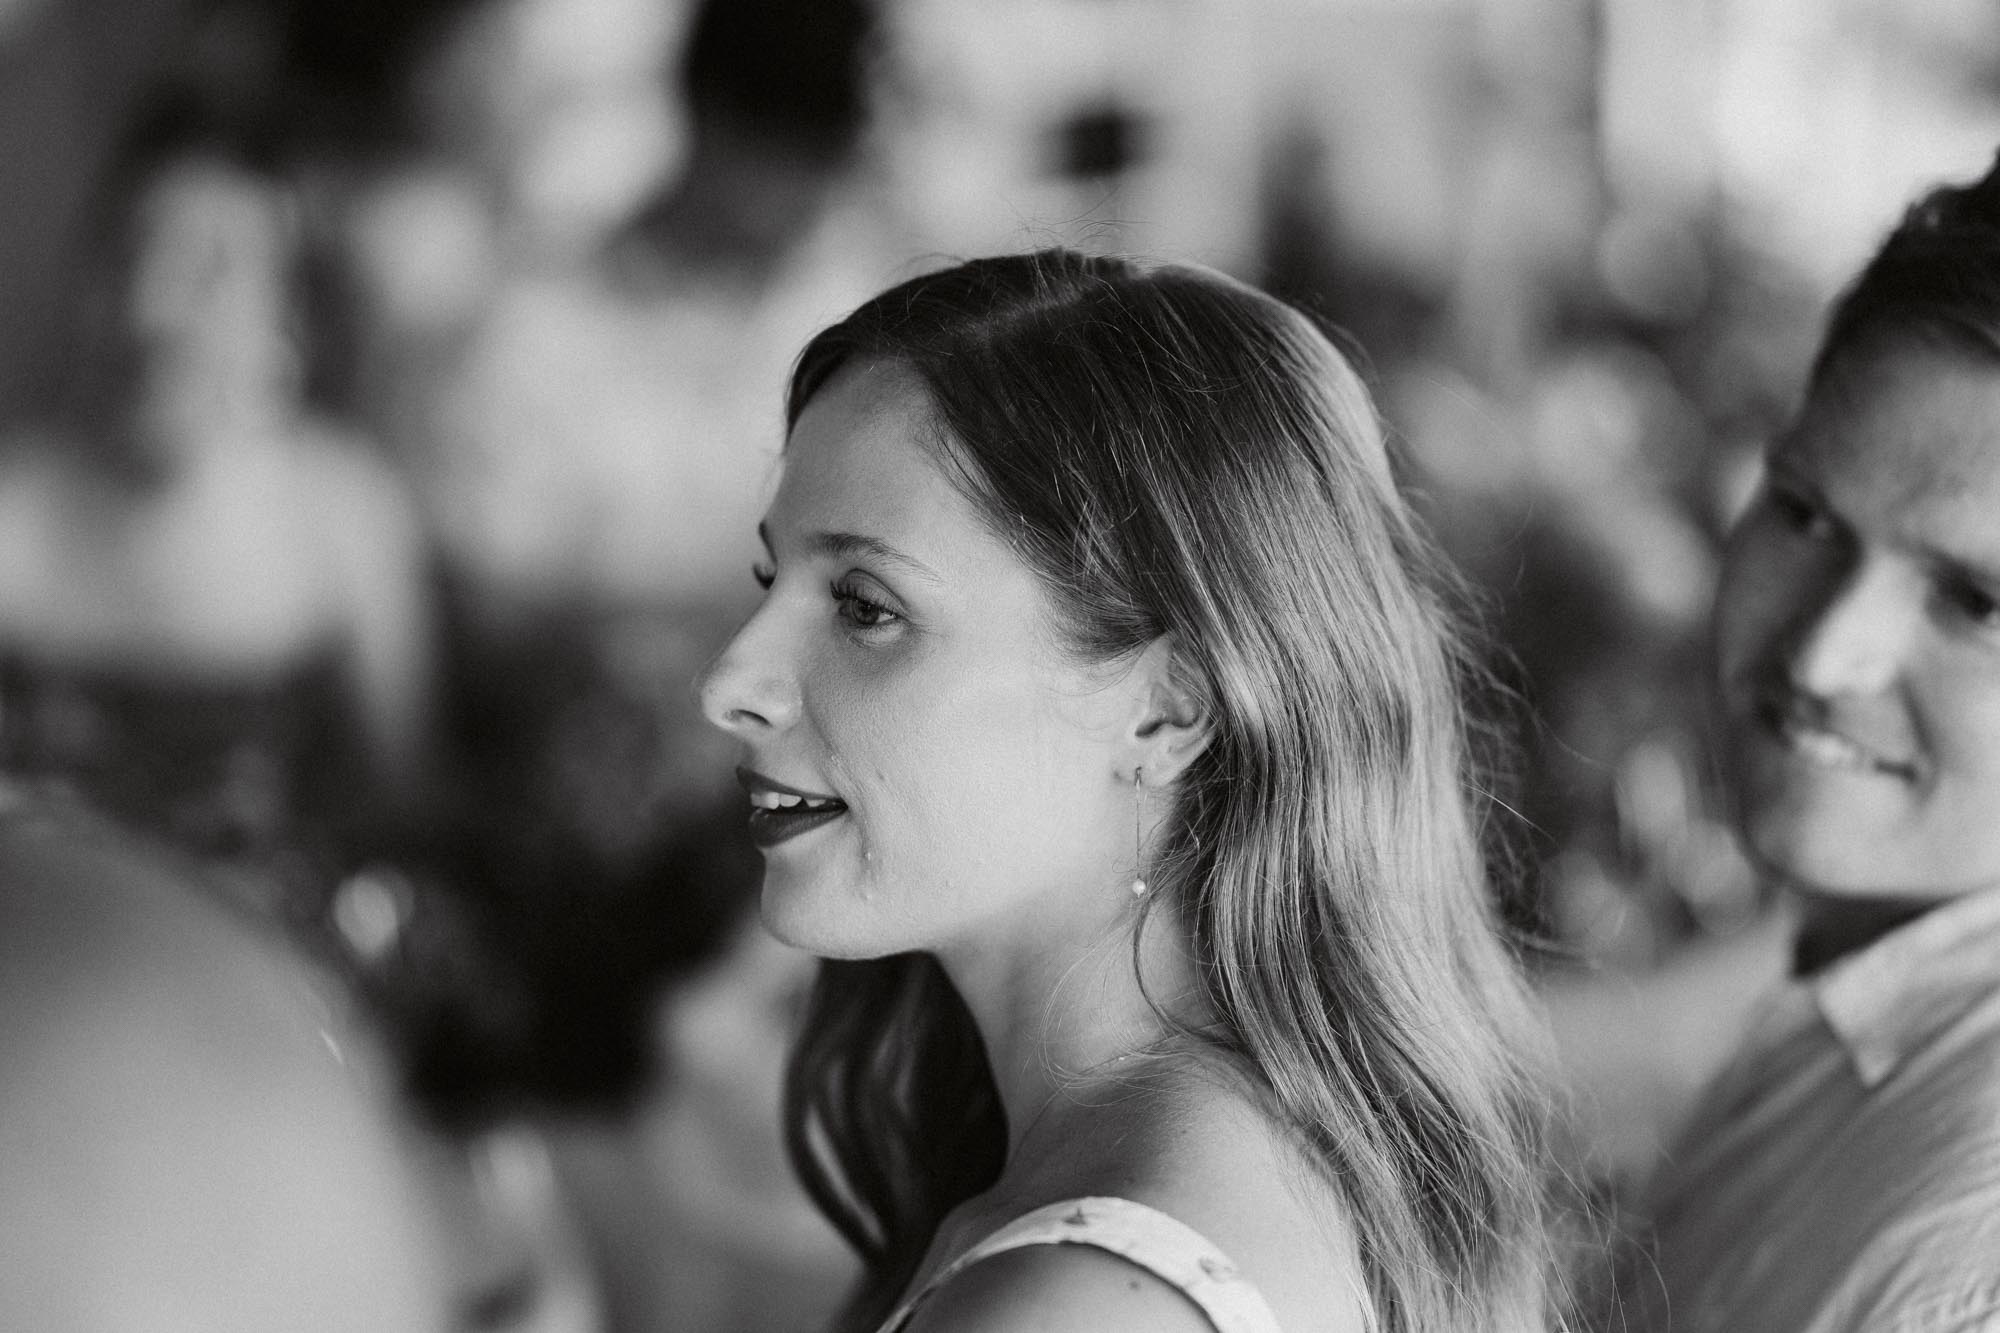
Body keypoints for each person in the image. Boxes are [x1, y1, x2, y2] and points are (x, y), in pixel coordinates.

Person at [698, 249, 1560, 1333]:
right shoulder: (1214, 1164)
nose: (731, 683)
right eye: (770, 581)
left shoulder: (1082, 1306)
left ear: (1167, 709)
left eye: (865, 607)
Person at [1608, 151, 2000, 1331]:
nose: (1824, 657)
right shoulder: (1850, 988)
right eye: (1802, 513)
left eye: (1974, 602)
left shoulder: (1960, 1264)